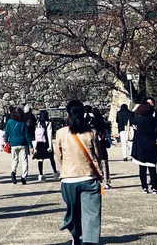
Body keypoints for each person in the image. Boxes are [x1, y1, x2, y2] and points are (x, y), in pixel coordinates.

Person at [52, 104, 104, 245]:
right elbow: (97, 155)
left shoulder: (61, 133)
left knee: (74, 211)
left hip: (69, 178)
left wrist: (66, 167)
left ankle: (75, 234)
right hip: (88, 176)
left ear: (68, 114)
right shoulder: (91, 132)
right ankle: (89, 240)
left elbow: (59, 154)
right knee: (92, 212)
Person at [130, 103, 157, 194]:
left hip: (140, 146)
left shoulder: (138, 119)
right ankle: (154, 187)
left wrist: (134, 110)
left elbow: (130, 119)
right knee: (152, 167)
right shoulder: (154, 120)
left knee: (142, 168)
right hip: (151, 145)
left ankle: (144, 187)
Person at [4, 106, 31, 184]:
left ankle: (13, 172)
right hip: (23, 143)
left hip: (13, 143)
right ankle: (24, 176)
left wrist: (6, 141)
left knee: (14, 159)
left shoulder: (9, 122)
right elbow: (27, 135)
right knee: (24, 160)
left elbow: (7, 133)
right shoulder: (23, 123)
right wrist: (31, 146)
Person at [32, 109, 57, 180]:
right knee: (51, 159)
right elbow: (49, 135)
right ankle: (55, 173)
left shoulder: (38, 123)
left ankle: (41, 174)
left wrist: (35, 146)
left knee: (40, 160)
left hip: (39, 143)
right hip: (46, 143)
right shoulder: (48, 123)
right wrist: (50, 146)